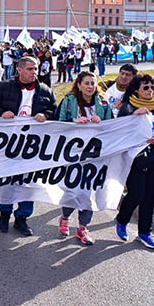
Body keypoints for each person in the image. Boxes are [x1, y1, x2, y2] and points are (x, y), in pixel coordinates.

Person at [0, 56, 57, 236]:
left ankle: (22, 217)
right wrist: (1, 113)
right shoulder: (3, 87)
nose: (34, 73)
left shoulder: (45, 90)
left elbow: (55, 111)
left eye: (36, 69)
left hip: (32, 146)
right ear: (20, 70)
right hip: (7, 145)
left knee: (28, 183)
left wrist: (45, 114)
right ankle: (5, 213)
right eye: (30, 69)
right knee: (7, 181)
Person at [115, 74, 154, 250]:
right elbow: (119, 131)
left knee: (149, 198)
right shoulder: (128, 107)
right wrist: (134, 116)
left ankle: (144, 233)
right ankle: (122, 220)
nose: (150, 90)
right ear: (136, 89)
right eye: (145, 87)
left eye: (152, 86)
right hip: (136, 160)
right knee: (136, 194)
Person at [55, 71, 113, 246]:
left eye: (92, 83)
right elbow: (58, 123)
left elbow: (112, 124)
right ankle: (64, 217)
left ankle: (83, 227)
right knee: (73, 190)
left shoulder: (102, 102)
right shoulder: (69, 101)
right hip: (73, 153)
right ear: (79, 85)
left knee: (88, 193)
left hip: (95, 155)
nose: (90, 86)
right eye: (86, 83)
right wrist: (74, 121)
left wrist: (101, 121)